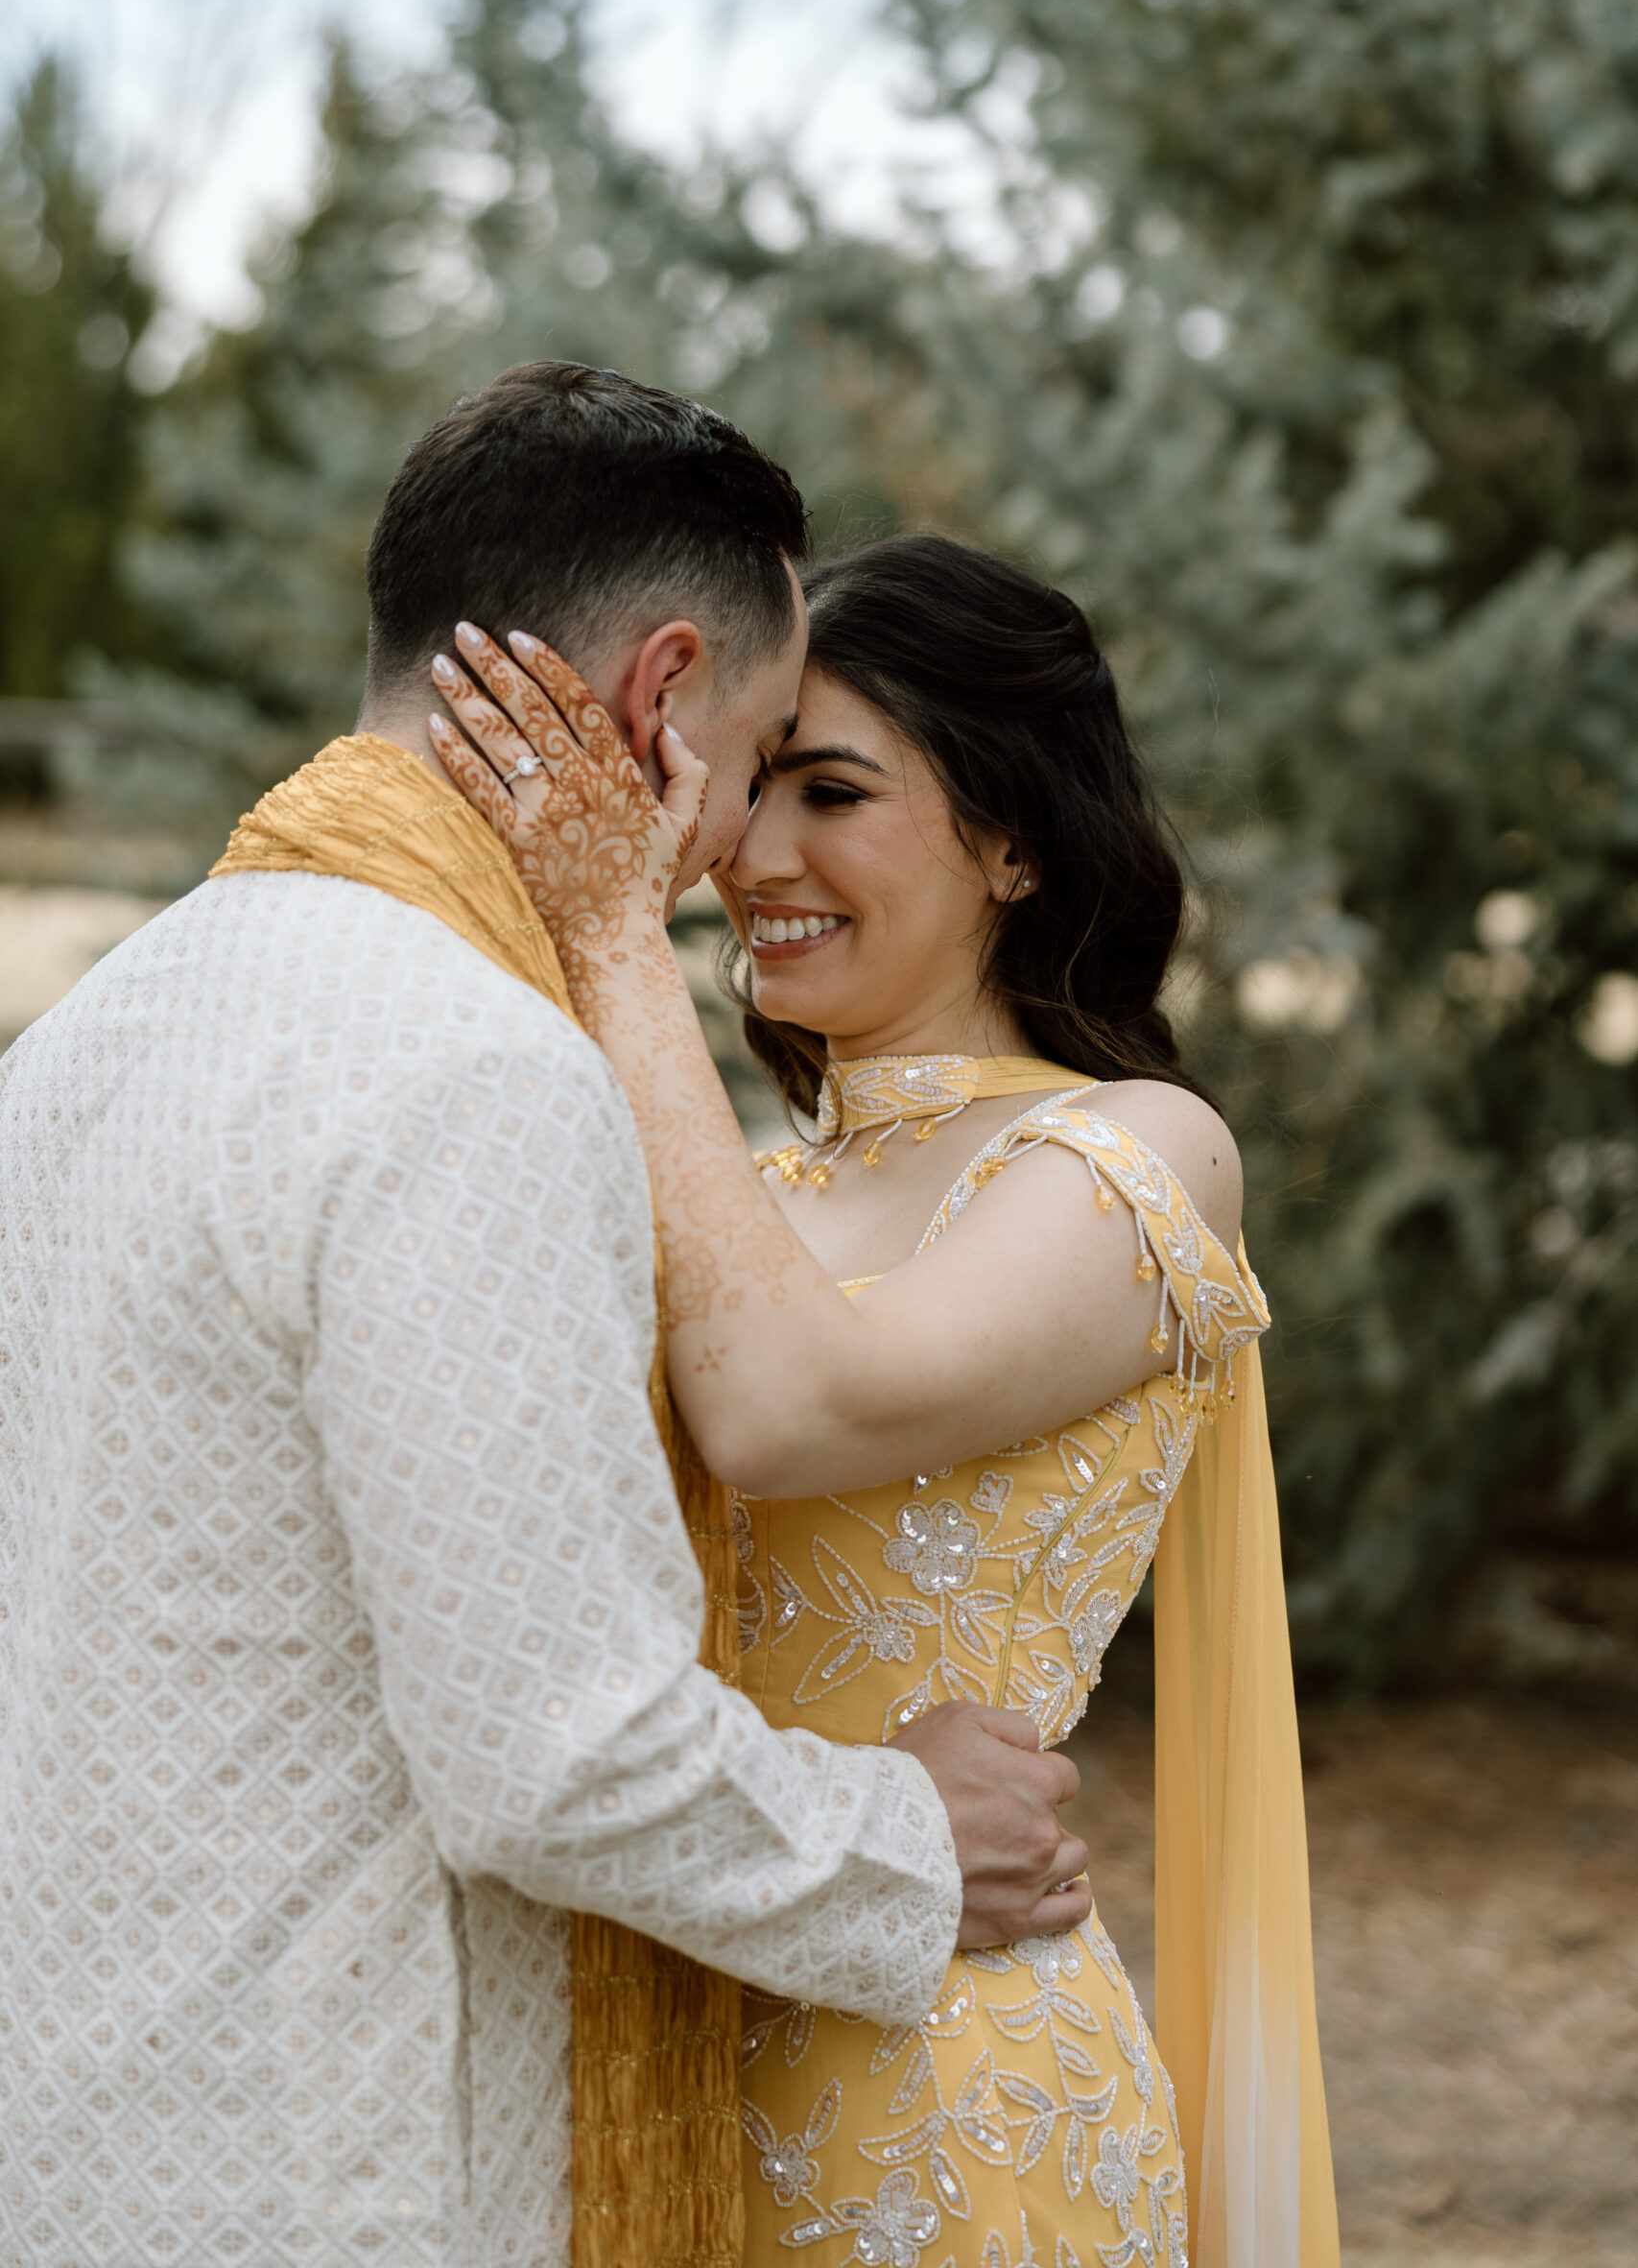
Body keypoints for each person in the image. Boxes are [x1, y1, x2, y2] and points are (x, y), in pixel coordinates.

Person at [0, 369, 1095, 2268]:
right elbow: (556, 1752)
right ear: (659, 697)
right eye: (756, 753)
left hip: (69, 2129)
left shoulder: (95, 1028)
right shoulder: (473, 1073)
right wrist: (910, 1834)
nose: (738, 836)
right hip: (338, 2165)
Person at [427, 532, 1341, 2268]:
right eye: (741, 789)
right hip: (650, 2067)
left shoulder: (1138, 1153)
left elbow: (788, 1412)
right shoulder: (737, 1191)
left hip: (943, 2106)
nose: (751, 856)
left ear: (1012, 841)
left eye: (831, 791)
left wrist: (612, 932)